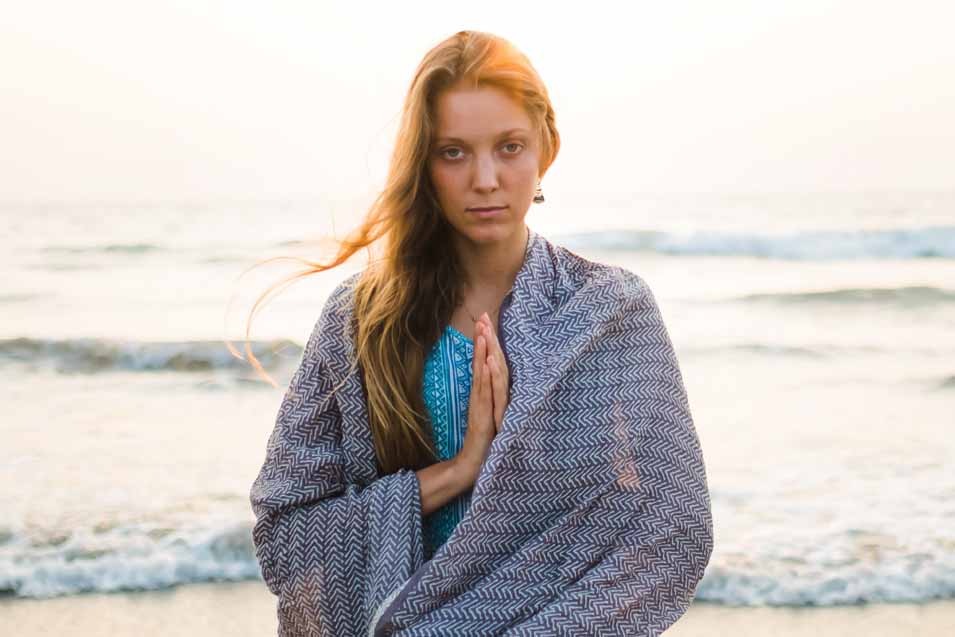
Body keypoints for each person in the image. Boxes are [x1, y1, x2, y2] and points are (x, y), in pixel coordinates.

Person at [247, 30, 713, 636]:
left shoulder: (610, 311)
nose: (486, 178)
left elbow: (671, 532)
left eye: (510, 147)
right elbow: (286, 534)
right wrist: (456, 472)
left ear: (547, 148)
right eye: (454, 153)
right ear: (423, 163)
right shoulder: (360, 320)